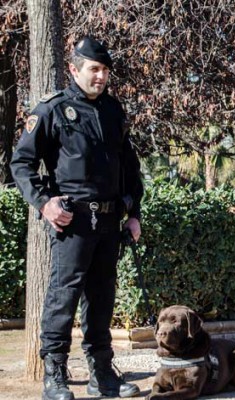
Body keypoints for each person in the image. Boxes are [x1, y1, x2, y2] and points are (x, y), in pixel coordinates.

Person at [10, 37, 143, 400]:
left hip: (110, 220)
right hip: (73, 222)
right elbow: (21, 163)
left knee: (103, 298)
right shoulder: (52, 109)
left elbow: (129, 167)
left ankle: (102, 374)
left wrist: (134, 213)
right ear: (74, 69)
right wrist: (43, 203)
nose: (101, 77)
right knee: (63, 297)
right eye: (94, 70)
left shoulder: (113, 111)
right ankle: (54, 374)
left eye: (105, 71)